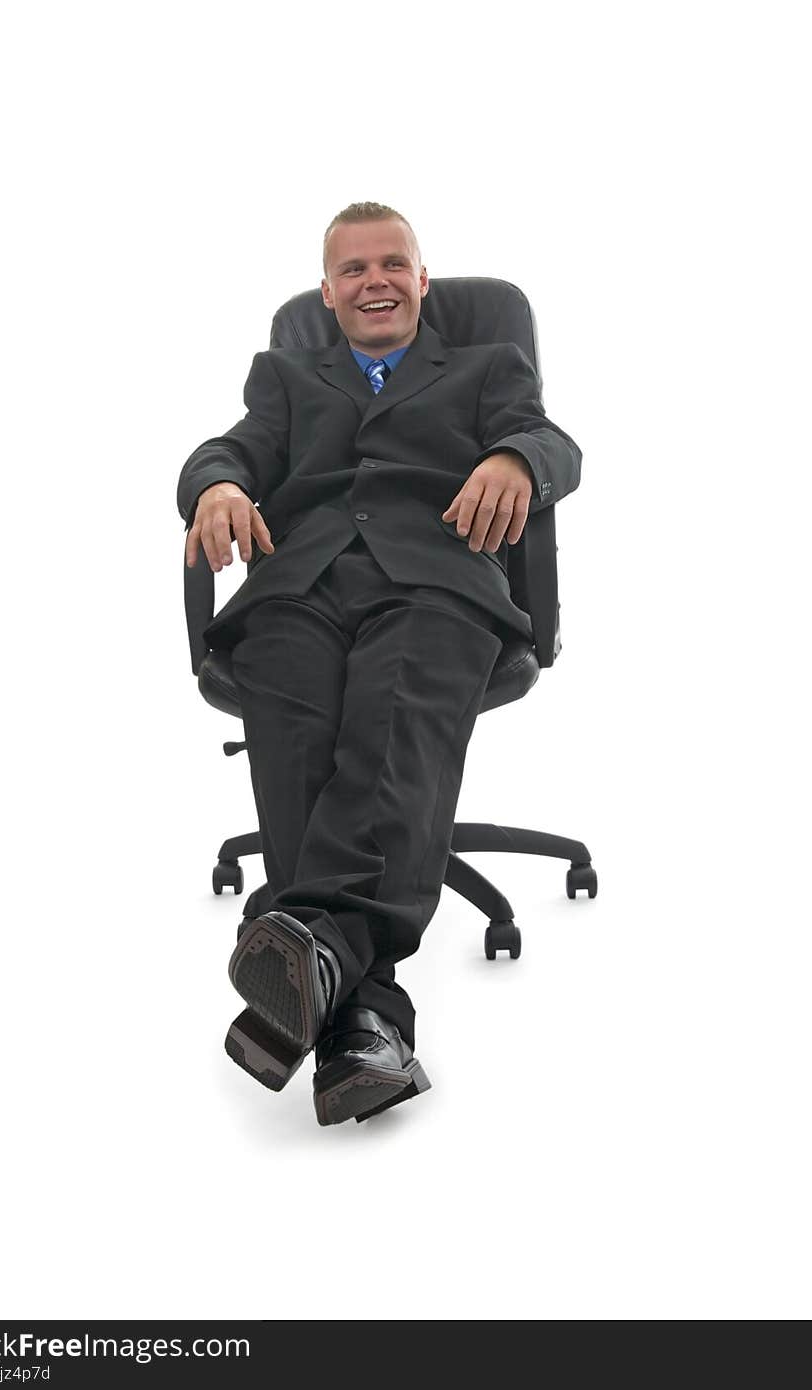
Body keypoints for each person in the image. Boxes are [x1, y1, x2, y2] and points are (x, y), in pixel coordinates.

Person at [177, 201, 581, 1126]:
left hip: (435, 578)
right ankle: (363, 1013)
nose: (375, 281)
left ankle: (314, 947)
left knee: (394, 713)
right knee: (295, 733)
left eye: (393, 264)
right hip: (299, 584)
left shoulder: (484, 366)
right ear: (327, 293)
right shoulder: (285, 374)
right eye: (353, 270)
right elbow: (227, 449)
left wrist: (519, 460)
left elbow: (556, 441)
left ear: (422, 280)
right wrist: (222, 484)